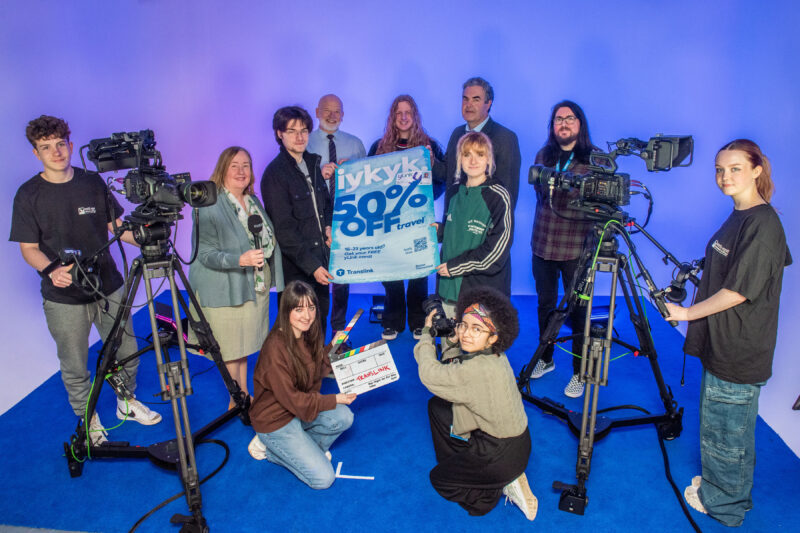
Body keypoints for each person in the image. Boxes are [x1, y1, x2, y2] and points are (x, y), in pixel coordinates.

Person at [9, 115, 161, 444]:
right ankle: (87, 417)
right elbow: (29, 248)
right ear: (36, 153)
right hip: (64, 297)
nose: (56, 152)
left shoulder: (91, 182)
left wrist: (150, 234)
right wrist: (51, 270)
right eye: (46, 147)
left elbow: (116, 227)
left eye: (60, 144)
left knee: (127, 349)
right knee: (75, 362)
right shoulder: (28, 195)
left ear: (70, 145)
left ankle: (126, 402)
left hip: (109, 286)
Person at [664, 139, 791, 527]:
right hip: (722, 343)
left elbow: (738, 291)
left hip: (739, 348)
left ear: (757, 169)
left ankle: (725, 506)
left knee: (725, 432)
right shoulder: (741, 215)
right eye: (719, 169)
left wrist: (686, 312)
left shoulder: (763, 223)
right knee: (727, 427)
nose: (725, 177)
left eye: (735, 168)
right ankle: (728, 487)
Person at [414, 286, 537, 520]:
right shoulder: (496, 356)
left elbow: (429, 374)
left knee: (440, 479)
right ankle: (487, 471)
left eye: (477, 329)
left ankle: (497, 486)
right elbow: (459, 371)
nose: (467, 334)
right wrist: (453, 342)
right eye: (464, 325)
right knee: (438, 407)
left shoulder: (475, 371)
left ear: (493, 337)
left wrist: (427, 334)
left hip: (499, 455)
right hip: (519, 444)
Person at [188, 146, 283, 410]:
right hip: (224, 287)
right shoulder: (210, 205)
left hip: (253, 285)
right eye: (234, 166)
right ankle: (238, 399)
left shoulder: (253, 201)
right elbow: (204, 254)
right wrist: (238, 260)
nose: (241, 171)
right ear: (222, 169)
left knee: (241, 346)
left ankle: (241, 394)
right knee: (230, 347)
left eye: (246, 165)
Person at [247, 280, 356, 489]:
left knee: (345, 417)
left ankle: (301, 447)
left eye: (311, 308)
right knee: (323, 479)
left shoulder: (305, 333)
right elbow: (296, 400)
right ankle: (269, 448)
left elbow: (313, 369)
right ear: (286, 310)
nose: (307, 316)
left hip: (297, 412)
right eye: (299, 309)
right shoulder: (275, 349)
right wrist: (336, 398)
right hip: (276, 421)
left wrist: (333, 346)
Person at [529, 100, 598, 399]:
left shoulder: (595, 159)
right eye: (558, 119)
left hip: (576, 249)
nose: (564, 124)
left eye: (570, 118)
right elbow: (539, 192)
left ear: (580, 124)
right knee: (546, 305)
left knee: (580, 312)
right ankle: (545, 359)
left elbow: (598, 204)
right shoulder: (544, 155)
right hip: (543, 243)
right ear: (552, 125)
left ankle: (580, 373)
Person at [368, 94, 445, 340]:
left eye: (408, 113)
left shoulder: (429, 146)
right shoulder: (378, 147)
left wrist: (425, 195)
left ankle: (417, 321)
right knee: (390, 271)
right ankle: (392, 320)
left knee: (418, 272)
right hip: (388, 221)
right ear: (392, 117)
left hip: (418, 220)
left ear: (415, 117)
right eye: (398, 113)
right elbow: (367, 183)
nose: (403, 117)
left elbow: (442, 181)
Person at [261, 106, 335, 334]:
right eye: (292, 131)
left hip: (321, 260)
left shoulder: (312, 165)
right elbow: (284, 231)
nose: (300, 136)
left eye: (304, 130)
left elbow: (325, 204)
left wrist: (330, 227)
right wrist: (313, 267)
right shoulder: (274, 174)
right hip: (297, 269)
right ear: (279, 133)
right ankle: (298, 371)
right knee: (297, 331)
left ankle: (314, 371)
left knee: (319, 324)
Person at [307, 94, 367, 341]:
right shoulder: (305, 142)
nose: (332, 116)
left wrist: (351, 171)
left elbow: (368, 180)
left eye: (337, 112)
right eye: (327, 111)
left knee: (342, 279)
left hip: (345, 218)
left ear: (343, 114)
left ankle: (338, 332)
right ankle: (314, 332)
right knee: (317, 275)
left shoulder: (355, 144)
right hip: (315, 218)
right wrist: (320, 174)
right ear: (317, 111)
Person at [436, 131, 513, 315]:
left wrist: (456, 267)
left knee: (478, 344)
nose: (473, 161)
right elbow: (457, 230)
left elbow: (496, 253)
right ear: (459, 159)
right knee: (449, 343)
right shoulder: (455, 192)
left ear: (489, 159)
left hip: (481, 295)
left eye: (480, 154)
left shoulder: (498, 196)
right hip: (448, 290)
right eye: (466, 154)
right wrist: (440, 231)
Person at [443, 77, 521, 210]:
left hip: (483, 224)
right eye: (465, 99)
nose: (468, 105)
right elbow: (448, 172)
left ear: (488, 103)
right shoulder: (457, 133)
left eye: (476, 99)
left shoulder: (505, 138)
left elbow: (508, 194)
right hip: (453, 220)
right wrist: (430, 161)